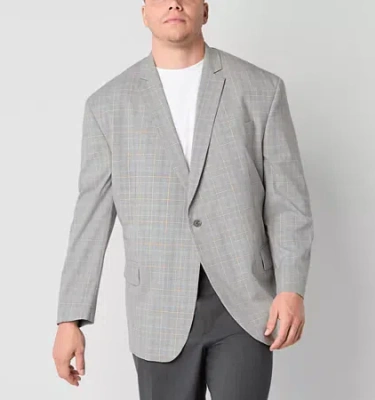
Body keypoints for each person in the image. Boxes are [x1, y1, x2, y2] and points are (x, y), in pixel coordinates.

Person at [52, 1, 314, 399]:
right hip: (158, 308)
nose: (174, 2)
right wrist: (69, 319)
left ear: (205, 10)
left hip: (244, 305)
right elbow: (91, 217)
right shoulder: (108, 105)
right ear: (144, 13)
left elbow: (287, 203)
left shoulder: (261, 89)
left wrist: (291, 287)